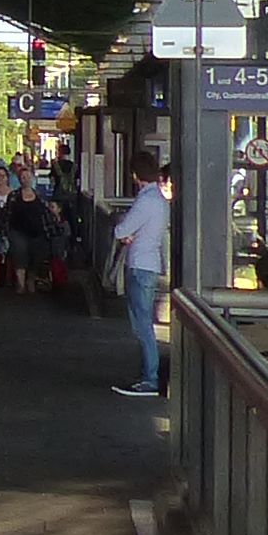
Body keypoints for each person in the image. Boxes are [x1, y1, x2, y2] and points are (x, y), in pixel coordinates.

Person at [106, 155, 171, 395]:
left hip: (140, 265)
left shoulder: (146, 201)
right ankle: (148, 374)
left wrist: (123, 231)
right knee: (144, 323)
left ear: (135, 174)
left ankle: (150, 378)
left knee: (142, 325)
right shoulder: (160, 200)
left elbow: (122, 230)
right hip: (149, 263)